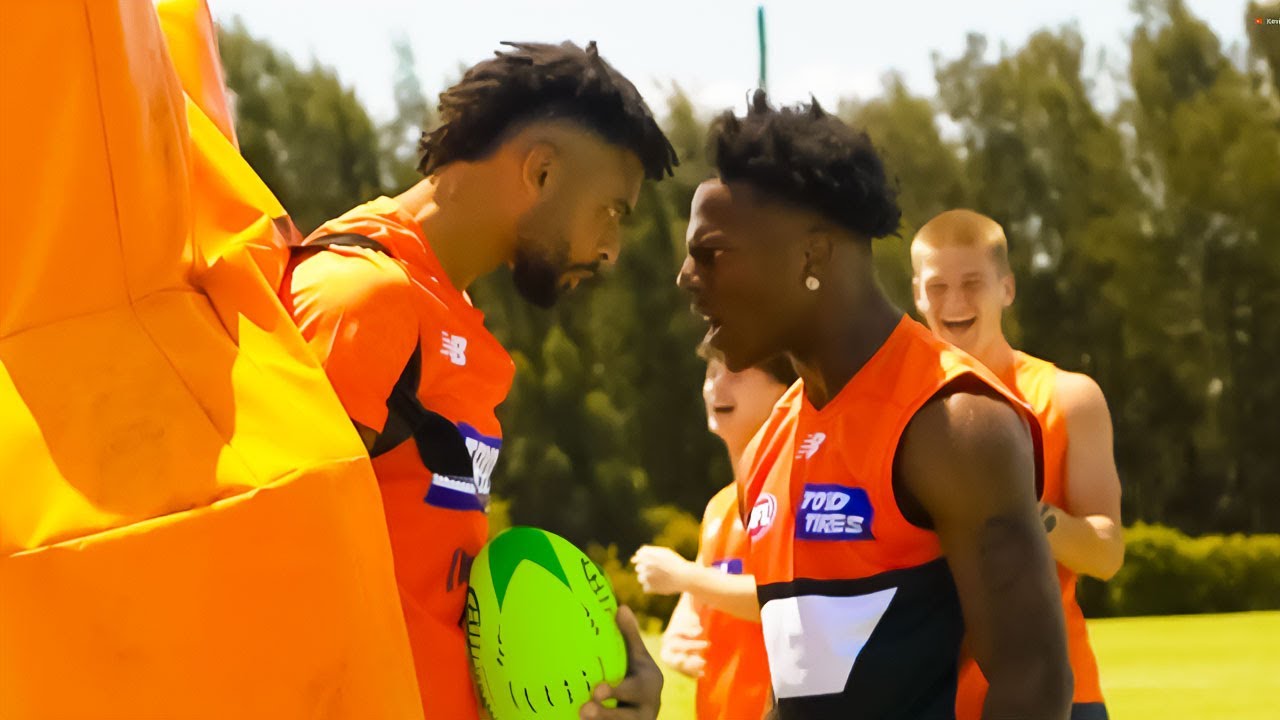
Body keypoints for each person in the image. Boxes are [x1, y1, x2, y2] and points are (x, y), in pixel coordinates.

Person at [278, 41, 677, 720]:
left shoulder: (450, 317)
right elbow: (270, 576)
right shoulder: (361, 299)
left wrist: (577, 684)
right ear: (542, 171)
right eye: (612, 210)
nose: (611, 249)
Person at [675, 91, 1072, 719]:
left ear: (811, 254)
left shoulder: (954, 422)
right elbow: (800, 692)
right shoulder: (767, 449)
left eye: (711, 254)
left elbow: (1034, 682)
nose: (687, 278)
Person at [912, 209, 1124, 720]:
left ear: (1006, 288)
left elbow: (1106, 553)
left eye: (972, 283)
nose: (955, 302)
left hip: (1056, 695)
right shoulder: (893, 406)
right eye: (937, 287)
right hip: (925, 699)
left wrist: (1026, 515)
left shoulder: (1068, 397)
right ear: (916, 294)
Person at [632, 351, 796, 720]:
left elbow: (790, 597)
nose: (715, 386)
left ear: (786, 390)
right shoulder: (719, 507)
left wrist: (683, 576)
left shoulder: (795, 492)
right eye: (711, 372)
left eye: (735, 371)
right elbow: (696, 601)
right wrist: (676, 638)